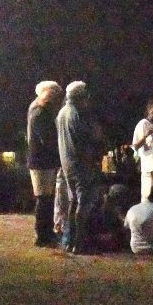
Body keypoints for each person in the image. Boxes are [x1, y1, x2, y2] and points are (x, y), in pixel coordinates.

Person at [56, 80, 103, 254]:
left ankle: (68, 241)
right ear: (80, 97)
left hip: (67, 163)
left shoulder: (61, 113)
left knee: (73, 200)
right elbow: (90, 137)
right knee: (83, 203)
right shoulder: (76, 113)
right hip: (81, 163)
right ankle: (79, 243)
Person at [26, 80, 63, 247]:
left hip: (41, 160)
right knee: (43, 198)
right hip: (41, 161)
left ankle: (45, 233)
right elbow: (46, 139)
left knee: (46, 198)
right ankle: (42, 235)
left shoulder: (37, 110)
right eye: (52, 94)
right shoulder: (40, 113)